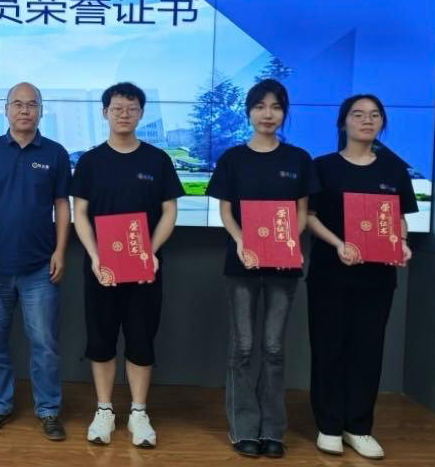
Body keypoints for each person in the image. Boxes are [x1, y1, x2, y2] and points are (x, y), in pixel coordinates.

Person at [205, 78, 319, 459]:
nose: (267, 114)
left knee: (273, 348)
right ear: (249, 112)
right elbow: (226, 211)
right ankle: (243, 428)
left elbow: (301, 212)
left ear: (284, 113)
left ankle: (273, 429)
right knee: (242, 347)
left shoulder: (298, 159)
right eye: (260, 106)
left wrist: (288, 243)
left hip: (284, 268)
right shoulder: (233, 158)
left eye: (275, 107)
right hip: (241, 265)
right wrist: (241, 240)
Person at [71, 82, 184, 448]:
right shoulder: (90, 161)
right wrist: (94, 256)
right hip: (101, 268)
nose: (124, 114)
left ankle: (138, 411)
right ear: (104, 112)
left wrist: (151, 251)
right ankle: (104, 409)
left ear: (141, 114)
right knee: (101, 339)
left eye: (131, 109)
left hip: (145, 269)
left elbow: (169, 211)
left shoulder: (157, 160)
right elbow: (80, 213)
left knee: (141, 338)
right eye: (117, 108)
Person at [306, 95, 416, 460]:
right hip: (330, 273)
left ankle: (359, 427)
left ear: (382, 122)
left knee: (368, 351)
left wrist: (402, 243)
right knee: (329, 348)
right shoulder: (323, 166)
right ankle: (328, 425)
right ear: (343, 123)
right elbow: (309, 217)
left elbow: (398, 218)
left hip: (377, 277)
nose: (366, 120)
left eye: (374, 115)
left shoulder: (394, 169)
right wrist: (338, 243)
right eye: (358, 114)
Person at [0, 82, 71, 441]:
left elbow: (62, 205)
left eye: (32, 105)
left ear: (41, 110)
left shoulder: (55, 153)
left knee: (44, 342)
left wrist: (60, 251)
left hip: (40, 266)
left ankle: (49, 410)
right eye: (18, 104)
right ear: (6, 109)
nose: (25, 110)